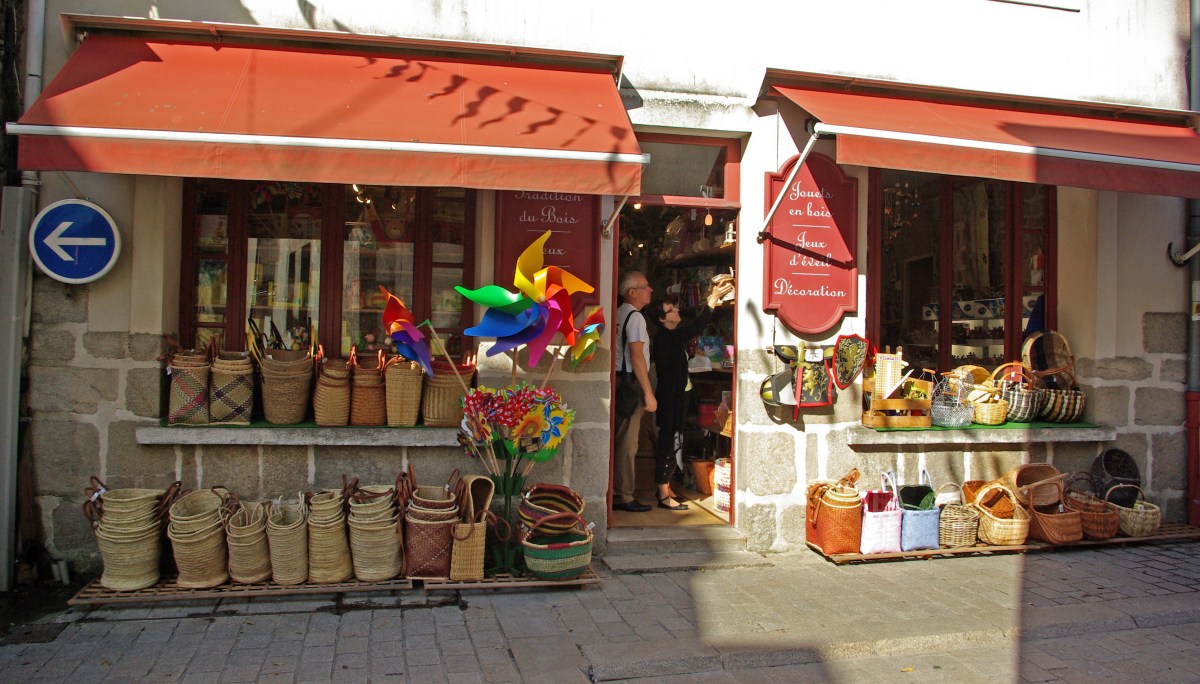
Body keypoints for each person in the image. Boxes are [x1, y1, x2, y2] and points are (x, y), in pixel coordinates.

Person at [648, 281, 734, 510]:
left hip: (677, 398)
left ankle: (666, 486)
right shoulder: (667, 338)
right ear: (662, 319)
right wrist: (712, 300)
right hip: (670, 400)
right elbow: (696, 327)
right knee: (668, 443)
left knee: (674, 441)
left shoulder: (671, 337)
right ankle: (662, 493)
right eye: (671, 310)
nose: (677, 310)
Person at [613, 271, 656, 512]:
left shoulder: (618, 313)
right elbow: (637, 356)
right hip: (631, 383)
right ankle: (625, 495)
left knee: (620, 438)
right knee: (628, 442)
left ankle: (618, 491)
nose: (650, 290)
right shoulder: (636, 317)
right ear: (632, 292)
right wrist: (648, 392)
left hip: (619, 381)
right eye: (645, 287)